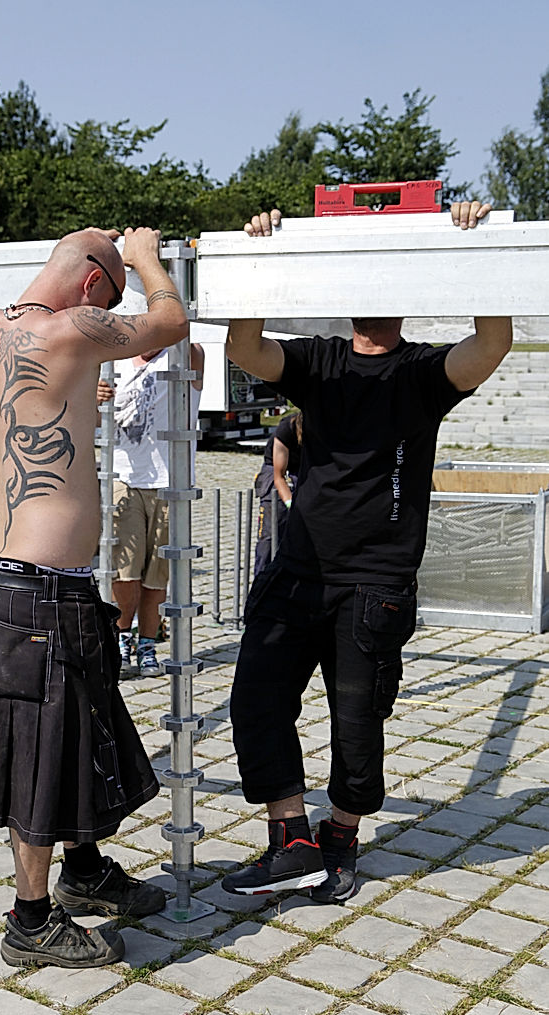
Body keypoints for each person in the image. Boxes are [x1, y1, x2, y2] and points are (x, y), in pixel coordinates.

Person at [221, 202, 513, 903]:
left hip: (375, 582)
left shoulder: (423, 372)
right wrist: (258, 259)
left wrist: (481, 244)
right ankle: (291, 842)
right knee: (256, 700)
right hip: (297, 571)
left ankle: (341, 839)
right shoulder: (318, 360)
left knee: (357, 724)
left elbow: (493, 342)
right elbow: (245, 349)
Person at [0, 224, 188, 969]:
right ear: (92, 287)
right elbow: (171, 322)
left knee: (79, 730)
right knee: (41, 751)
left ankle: (83, 871)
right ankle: (29, 921)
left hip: (13, 582)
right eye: (109, 297)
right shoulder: (75, 328)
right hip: (36, 590)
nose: (108, 311)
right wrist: (146, 260)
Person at [97, 342, 203, 678]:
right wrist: (93, 397)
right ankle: (121, 638)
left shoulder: (183, 353)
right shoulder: (112, 361)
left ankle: (147, 645)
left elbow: (190, 338)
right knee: (123, 571)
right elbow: (91, 415)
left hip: (169, 481)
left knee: (157, 574)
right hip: (123, 478)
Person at [253, 411, 303, 576]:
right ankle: (262, 579)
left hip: (302, 469)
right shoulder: (287, 427)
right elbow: (279, 477)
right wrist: (290, 504)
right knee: (271, 532)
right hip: (275, 471)